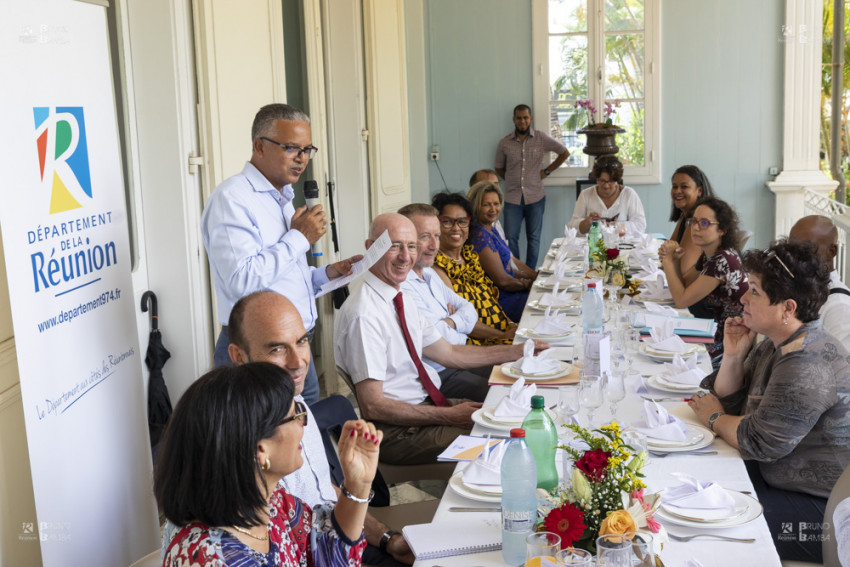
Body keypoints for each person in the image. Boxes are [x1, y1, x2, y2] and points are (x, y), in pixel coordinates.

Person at [334, 213, 547, 465]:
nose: (405, 257)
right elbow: (374, 407)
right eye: (394, 246)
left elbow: (450, 353)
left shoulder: (398, 297)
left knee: (519, 415)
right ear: (371, 248)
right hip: (395, 431)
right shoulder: (364, 314)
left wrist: (518, 351)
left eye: (411, 246)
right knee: (507, 444)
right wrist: (448, 416)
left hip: (424, 407)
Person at [689, 239, 850, 563]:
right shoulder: (781, 340)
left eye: (755, 292)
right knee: (694, 490)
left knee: (710, 526)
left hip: (824, 516)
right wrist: (734, 355)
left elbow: (758, 441)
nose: (743, 298)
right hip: (779, 483)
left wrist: (713, 419)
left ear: (788, 308)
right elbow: (732, 404)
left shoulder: (808, 363)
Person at [227, 291, 412, 565]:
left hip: (339, 545)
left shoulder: (296, 403)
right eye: (277, 349)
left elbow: (327, 493)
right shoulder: (235, 439)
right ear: (238, 356)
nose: (298, 361)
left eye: (301, 341)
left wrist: (386, 538)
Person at [201, 103, 361, 405]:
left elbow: (281, 279)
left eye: (306, 150)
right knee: (265, 443)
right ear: (259, 146)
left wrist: (326, 275)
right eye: (291, 148)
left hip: (297, 347)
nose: (302, 159)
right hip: (259, 350)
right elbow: (243, 282)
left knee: (306, 439)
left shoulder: (282, 198)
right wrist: (300, 237)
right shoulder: (232, 199)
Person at [156, 362, 380, 566]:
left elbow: (327, 553)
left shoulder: (272, 503)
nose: (304, 423)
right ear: (260, 449)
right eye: (295, 416)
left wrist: (357, 483)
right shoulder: (211, 559)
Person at [400, 202, 513, 355]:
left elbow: (470, 309)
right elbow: (437, 334)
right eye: (425, 236)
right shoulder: (430, 270)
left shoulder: (431, 272)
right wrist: (501, 336)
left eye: (436, 236)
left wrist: (451, 321)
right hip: (466, 349)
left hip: (480, 339)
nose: (434, 245)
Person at [659, 197, 748, 367]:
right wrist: (676, 262)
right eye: (693, 222)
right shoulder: (711, 254)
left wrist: (667, 262)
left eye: (705, 223)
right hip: (712, 329)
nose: (695, 228)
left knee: (663, 351)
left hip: (727, 345)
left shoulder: (722, 260)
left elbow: (681, 300)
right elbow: (684, 286)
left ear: (722, 229)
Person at [430, 192, 519, 335]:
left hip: (500, 331)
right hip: (479, 342)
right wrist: (502, 336)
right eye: (447, 221)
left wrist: (510, 324)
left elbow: (490, 300)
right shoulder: (437, 267)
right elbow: (461, 320)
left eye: (462, 221)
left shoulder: (470, 256)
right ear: (436, 225)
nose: (456, 228)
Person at [494, 104, 569, 268]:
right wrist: (510, 178)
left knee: (534, 238)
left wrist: (547, 171)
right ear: (514, 119)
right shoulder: (505, 143)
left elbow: (564, 152)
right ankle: (516, 272)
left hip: (536, 196)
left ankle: (530, 273)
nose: (522, 121)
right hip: (512, 198)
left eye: (525, 117)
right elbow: (498, 167)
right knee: (511, 237)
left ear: (531, 119)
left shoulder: (541, 138)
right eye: (519, 118)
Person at [466, 182, 538, 322]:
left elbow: (508, 266)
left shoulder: (491, 229)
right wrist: (527, 285)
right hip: (501, 301)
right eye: (486, 204)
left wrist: (533, 278)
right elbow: (503, 281)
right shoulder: (479, 235)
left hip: (512, 292)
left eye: (496, 203)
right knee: (545, 304)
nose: (493, 209)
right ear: (476, 206)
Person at [789, 215, 850, 345]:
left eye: (806, 249)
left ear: (832, 251)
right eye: (791, 249)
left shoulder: (839, 307)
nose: (795, 256)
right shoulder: (799, 292)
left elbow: (842, 363)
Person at [567, 155, 646, 234]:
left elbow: (640, 225)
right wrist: (587, 222)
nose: (606, 186)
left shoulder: (629, 194)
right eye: (602, 181)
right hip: (593, 245)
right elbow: (571, 228)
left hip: (621, 245)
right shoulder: (585, 195)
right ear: (597, 178)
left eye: (611, 181)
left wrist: (616, 226)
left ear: (617, 180)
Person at [668, 165, 716, 287]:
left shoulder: (698, 222)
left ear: (699, 191)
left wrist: (669, 258)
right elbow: (669, 249)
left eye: (684, 187)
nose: (678, 191)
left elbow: (683, 271)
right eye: (675, 186)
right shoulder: (685, 216)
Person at [469, 168, 508, 243]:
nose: (493, 188)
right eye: (487, 185)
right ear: (474, 189)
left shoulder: (494, 219)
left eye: (496, 184)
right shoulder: (474, 227)